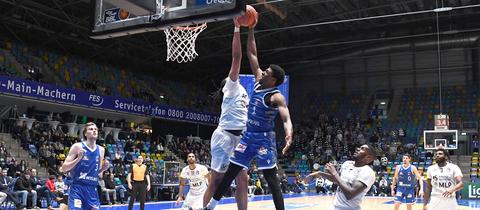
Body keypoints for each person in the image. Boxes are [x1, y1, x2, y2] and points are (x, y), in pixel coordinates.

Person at [204, 18, 293, 210]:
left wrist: (289, 133)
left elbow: (285, 116)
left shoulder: (276, 96)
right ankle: (209, 206)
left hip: (264, 139)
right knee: (230, 174)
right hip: (247, 136)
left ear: (274, 80)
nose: (262, 72)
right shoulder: (257, 82)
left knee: (271, 179)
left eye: (267, 72)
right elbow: (251, 53)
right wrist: (251, 28)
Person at [202, 18, 249, 210]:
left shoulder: (243, 93)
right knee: (216, 180)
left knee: (243, 180)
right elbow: (237, 57)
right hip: (224, 137)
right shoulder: (232, 86)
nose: (234, 74)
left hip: (240, 139)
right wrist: (237, 28)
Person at [304, 145, 376, 210]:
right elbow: (337, 180)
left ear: (368, 157)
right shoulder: (347, 163)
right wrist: (319, 173)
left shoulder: (367, 172)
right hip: (336, 207)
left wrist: (334, 173)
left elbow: (350, 194)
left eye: (362, 149)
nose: (357, 149)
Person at [59, 122, 110, 210]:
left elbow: (98, 174)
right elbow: (64, 168)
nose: (94, 131)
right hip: (77, 188)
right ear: (85, 133)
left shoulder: (101, 150)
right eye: (91, 129)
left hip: (92, 189)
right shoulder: (77, 146)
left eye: (95, 129)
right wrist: (78, 158)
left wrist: (103, 169)